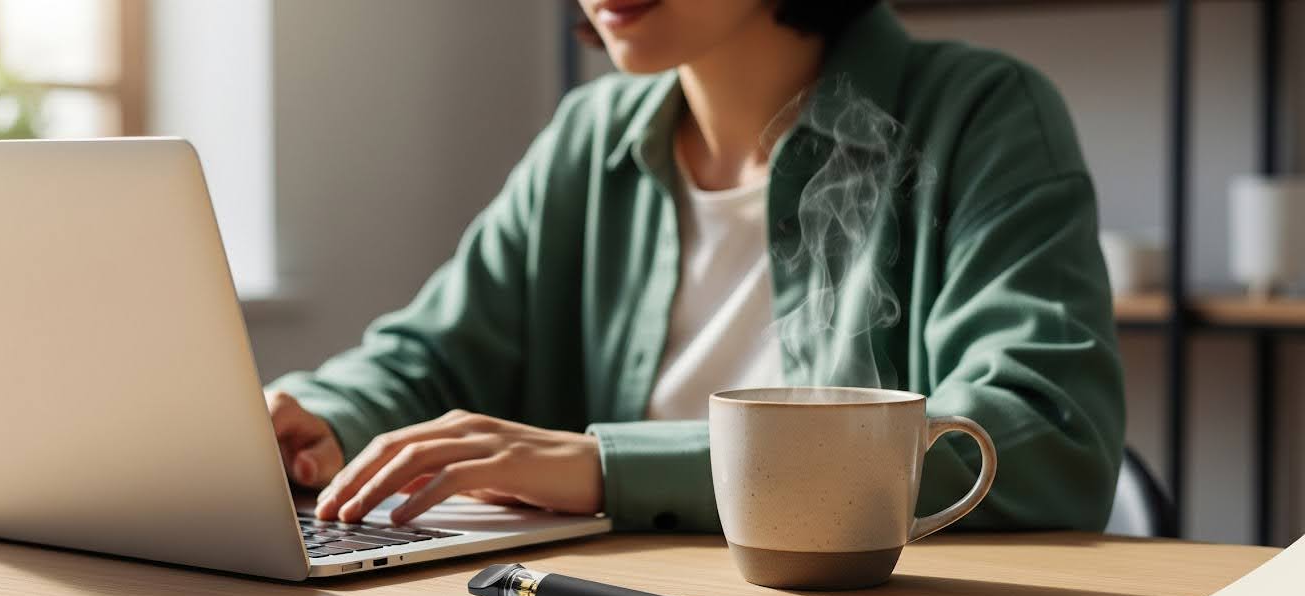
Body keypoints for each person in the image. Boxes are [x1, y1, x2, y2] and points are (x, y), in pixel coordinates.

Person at [265, 0, 1125, 533]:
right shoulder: (590, 137)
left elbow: (1047, 432)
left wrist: (608, 468)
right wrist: (328, 417)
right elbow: (433, 357)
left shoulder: (978, 115)